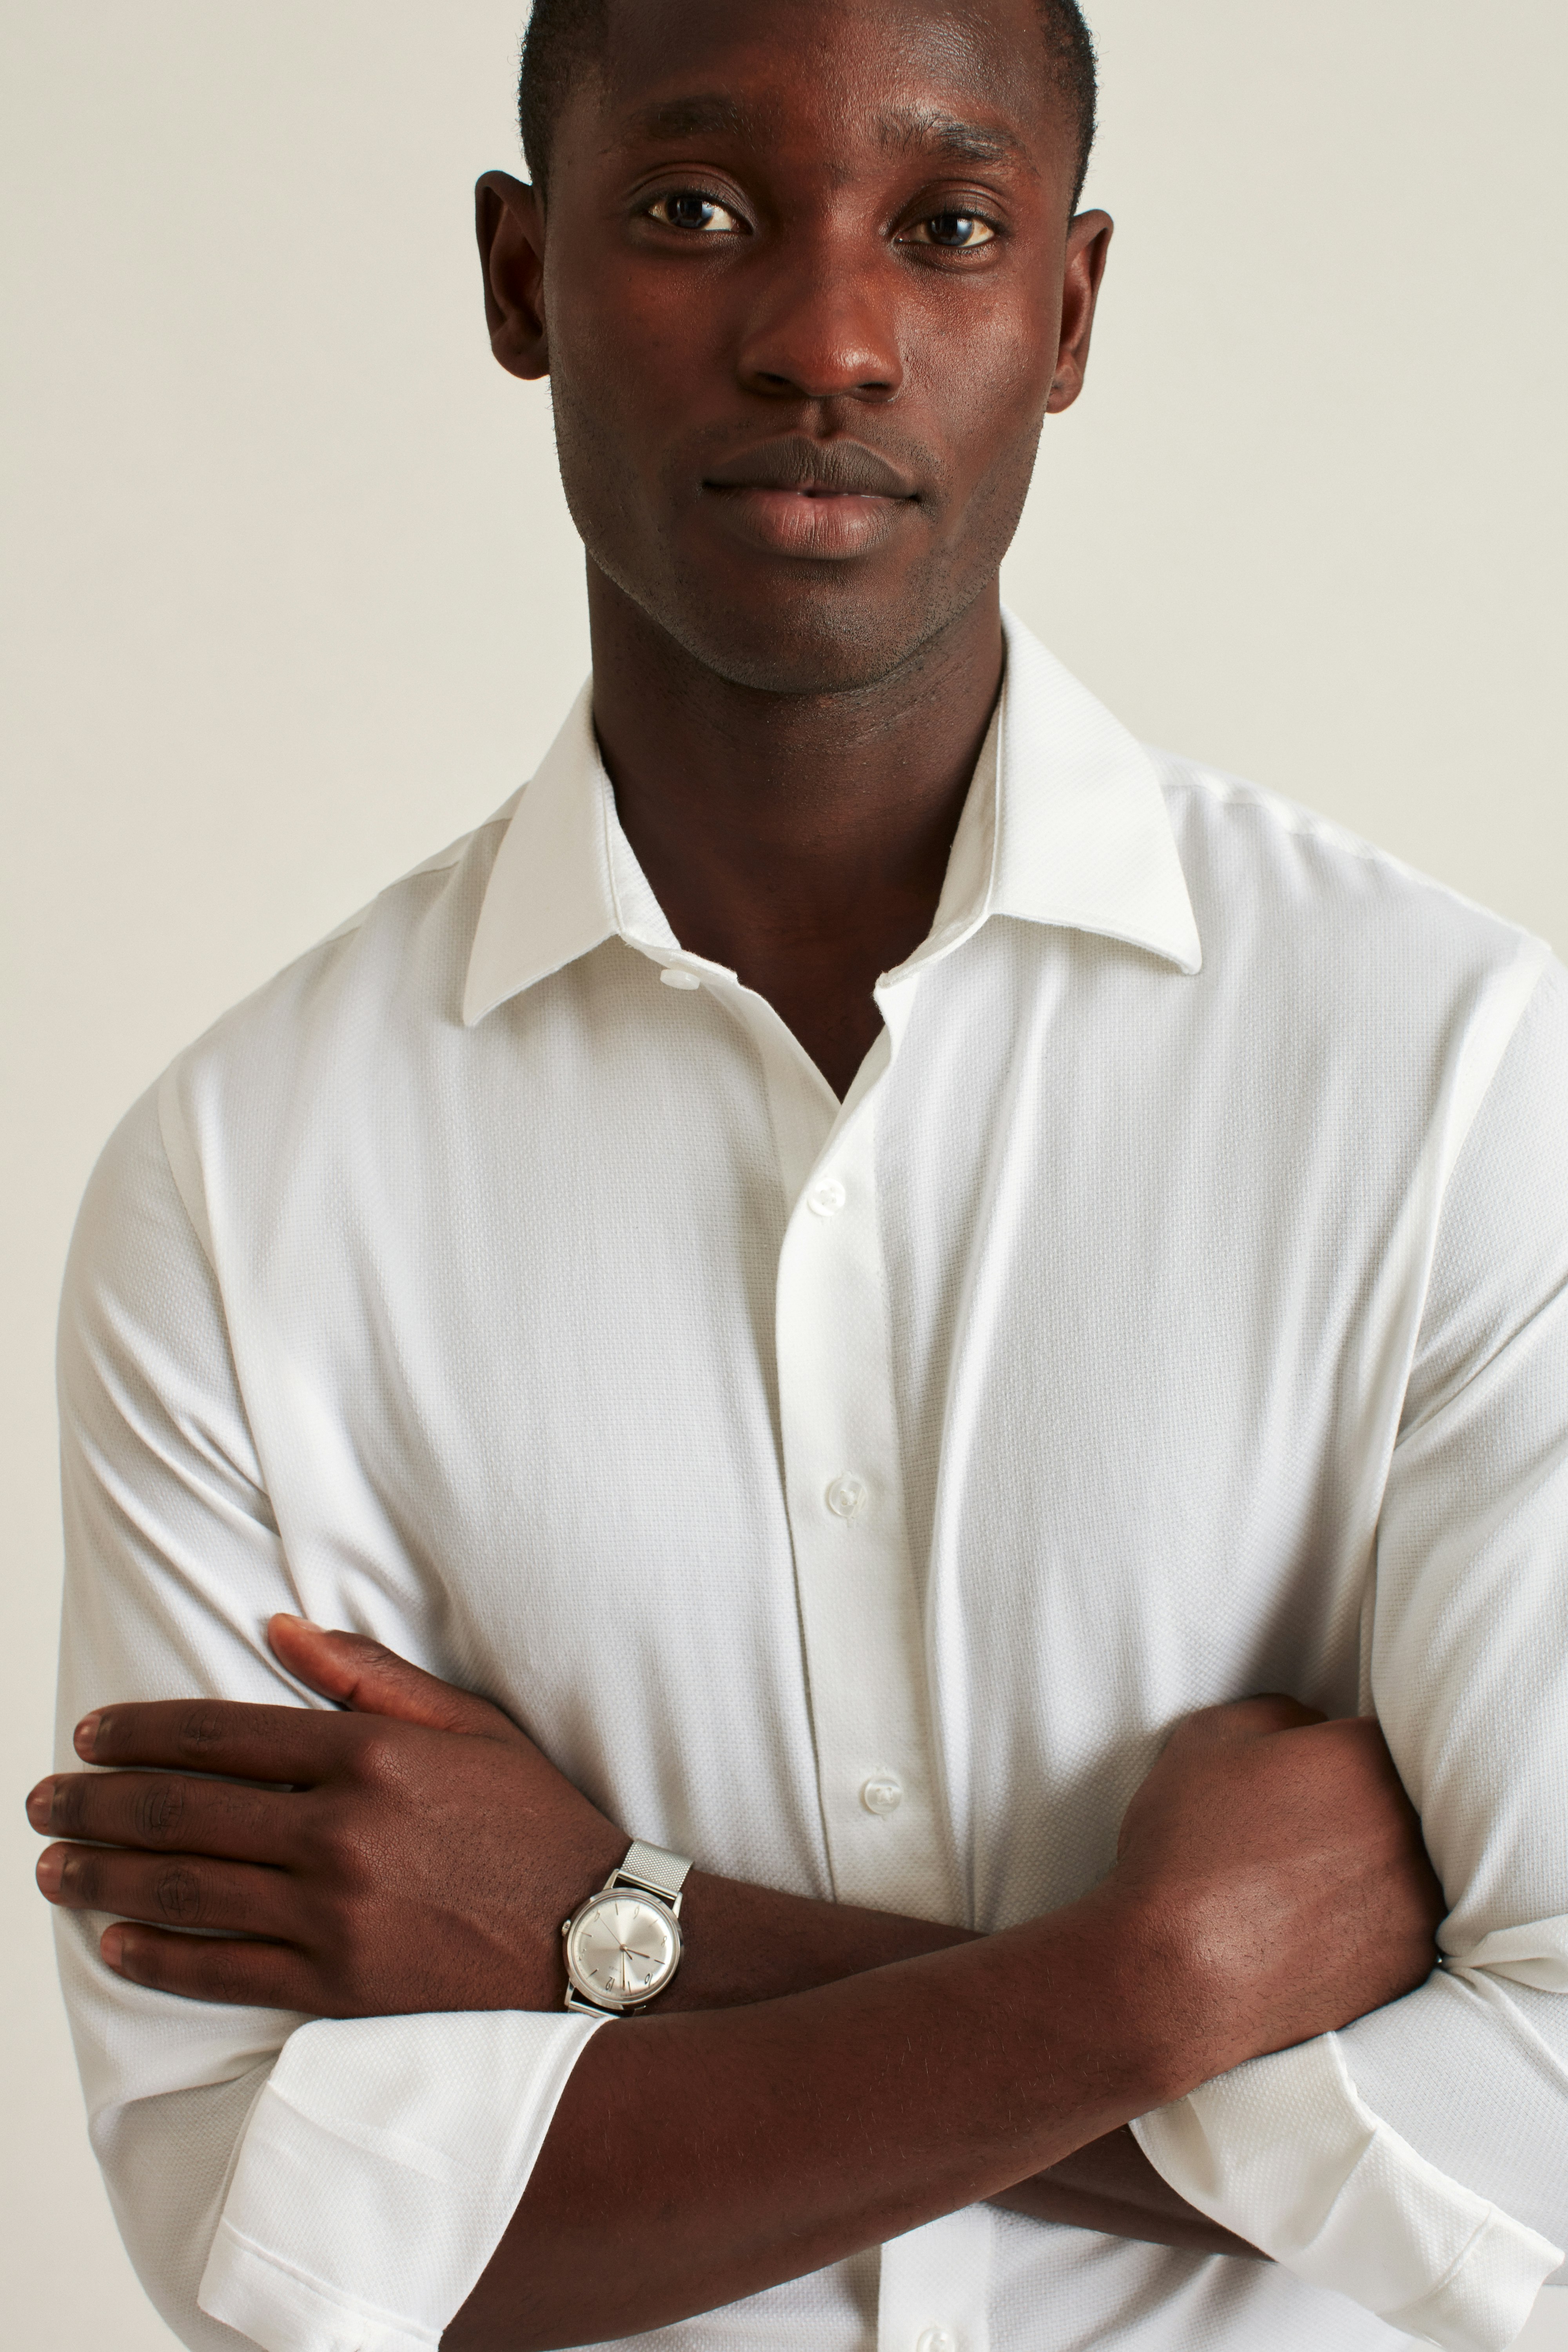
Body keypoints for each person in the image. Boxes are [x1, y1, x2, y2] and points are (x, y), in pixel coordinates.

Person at [27, 1, 1568, 2348]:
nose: (826, 336)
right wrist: (1173, 1980)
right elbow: (286, 2240)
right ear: (521, 278)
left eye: (945, 228)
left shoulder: (1448, 1075)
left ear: (1067, 313)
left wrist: (606, 1931)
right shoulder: (243, 1186)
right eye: (693, 211)